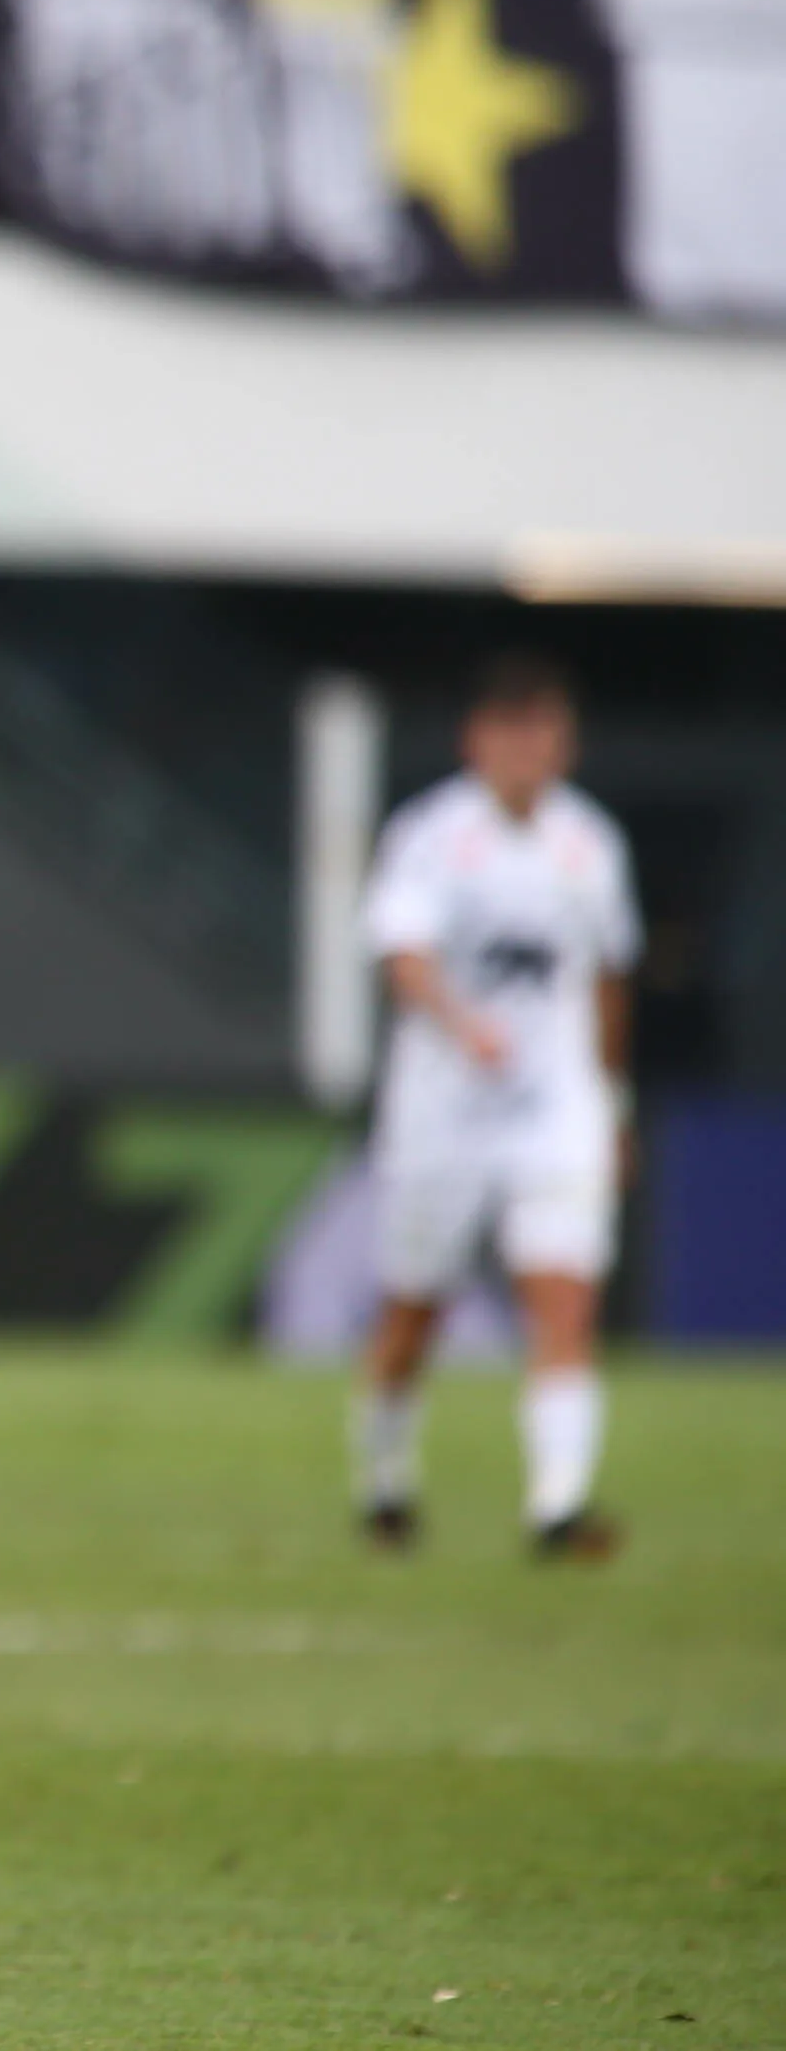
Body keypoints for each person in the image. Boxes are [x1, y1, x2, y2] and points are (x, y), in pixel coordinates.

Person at [354, 652, 639, 1561]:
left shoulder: (589, 846)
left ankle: (556, 1506)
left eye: (544, 732)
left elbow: (605, 980)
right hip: (443, 1112)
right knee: (413, 1313)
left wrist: (609, 1097)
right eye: (512, 732)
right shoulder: (431, 836)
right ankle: (384, 1477)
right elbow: (403, 959)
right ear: (477, 740)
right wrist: (458, 1023)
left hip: (554, 1109)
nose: (528, 751)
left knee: (562, 1300)